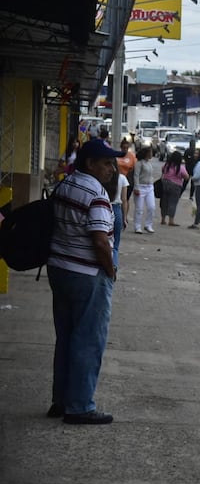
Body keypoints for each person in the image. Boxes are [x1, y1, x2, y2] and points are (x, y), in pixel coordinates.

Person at [46, 139, 122, 424]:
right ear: (90, 163)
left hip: (59, 268)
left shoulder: (66, 185)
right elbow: (101, 241)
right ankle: (79, 407)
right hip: (88, 275)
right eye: (106, 163)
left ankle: (61, 400)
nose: (112, 169)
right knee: (89, 341)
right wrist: (110, 270)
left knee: (65, 338)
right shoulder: (96, 194)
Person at [104, 160, 129, 270]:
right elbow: (124, 200)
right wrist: (125, 217)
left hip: (104, 207)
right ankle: (113, 266)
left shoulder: (102, 178)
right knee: (115, 244)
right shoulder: (122, 178)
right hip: (116, 208)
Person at [159, 151, 189, 226]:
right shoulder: (180, 167)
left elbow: (162, 171)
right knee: (173, 202)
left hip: (165, 184)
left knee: (164, 202)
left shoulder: (166, 165)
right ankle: (171, 220)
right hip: (175, 186)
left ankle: (163, 219)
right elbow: (186, 177)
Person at [132, 146, 155, 234]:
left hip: (149, 187)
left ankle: (148, 224)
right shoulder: (139, 163)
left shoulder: (149, 163)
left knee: (151, 207)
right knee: (139, 208)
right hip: (141, 187)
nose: (152, 154)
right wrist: (136, 187)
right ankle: (137, 226)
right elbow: (136, 175)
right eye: (150, 152)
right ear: (146, 153)